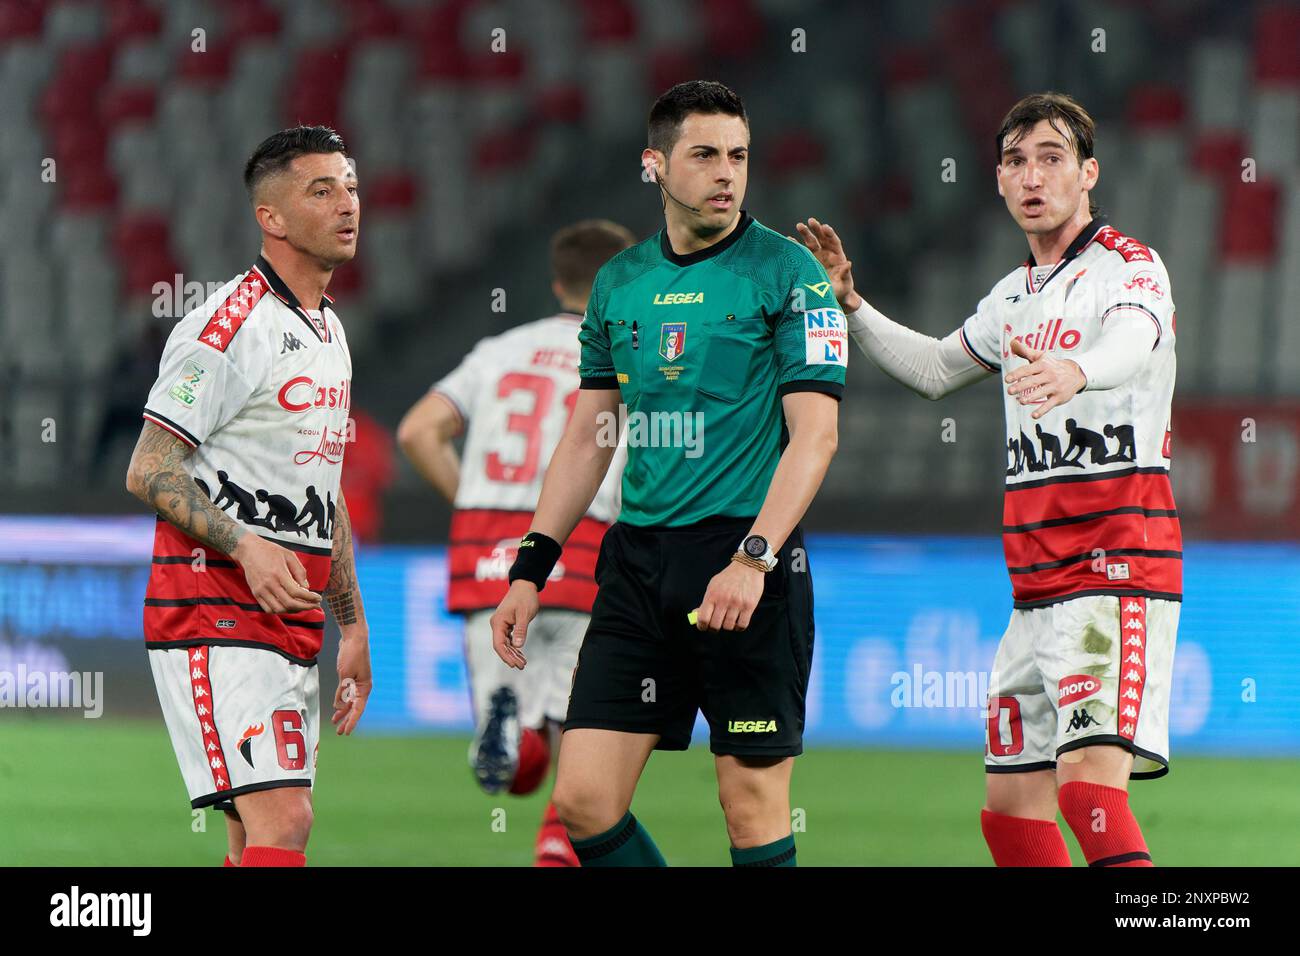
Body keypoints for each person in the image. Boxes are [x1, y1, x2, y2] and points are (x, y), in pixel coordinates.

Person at [797, 92, 1179, 867]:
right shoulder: (1011, 298)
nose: (1032, 175)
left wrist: (1079, 368)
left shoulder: (1127, 267)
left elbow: (1137, 341)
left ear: (1088, 174)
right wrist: (852, 306)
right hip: (1034, 588)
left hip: (1114, 563)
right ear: (998, 182)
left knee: (1088, 792)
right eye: (1014, 161)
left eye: (1051, 158)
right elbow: (937, 370)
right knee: (1009, 812)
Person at [490, 80, 846, 867]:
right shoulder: (620, 282)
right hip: (638, 566)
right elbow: (590, 436)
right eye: (706, 154)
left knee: (750, 804)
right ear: (655, 165)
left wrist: (753, 558)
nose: (728, 172)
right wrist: (530, 568)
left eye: (739, 156)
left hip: (745, 561)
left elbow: (814, 438)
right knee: (582, 803)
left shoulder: (789, 275)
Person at [125, 126, 372, 868]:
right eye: (320, 190)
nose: (347, 203)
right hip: (214, 605)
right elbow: (150, 467)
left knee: (254, 834)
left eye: (350, 186)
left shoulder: (329, 331)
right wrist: (244, 544)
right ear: (271, 217)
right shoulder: (226, 327)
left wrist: (351, 624)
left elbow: (321, 494)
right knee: (285, 818)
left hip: (289, 617)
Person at [397, 219, 634, 867]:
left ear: (556, 281)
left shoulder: (499, 350)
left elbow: (419, 432)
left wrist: (473, 501)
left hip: (492, 558)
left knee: (515, 767)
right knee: (580, 743)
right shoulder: (629, 360)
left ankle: (511, 729)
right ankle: (554, 844)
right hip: (585, 555)